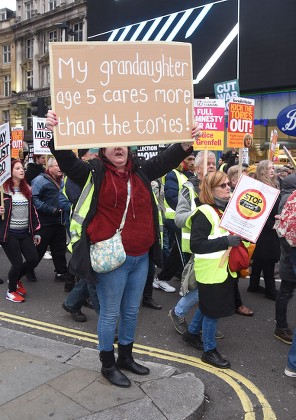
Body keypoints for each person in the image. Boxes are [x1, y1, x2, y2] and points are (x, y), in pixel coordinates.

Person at [46, 109, 201, 388]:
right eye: (112, 143)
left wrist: (184, 145)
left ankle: (125, 357)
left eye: (123, 143)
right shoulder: (94, 171)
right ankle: (107, 363)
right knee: (110, 313)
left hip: (141, 257)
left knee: (131, 312)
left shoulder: (141, 169)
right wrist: (57, 133)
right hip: (112, 258)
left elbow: (166, 160)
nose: (118, 147)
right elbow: (67, 161)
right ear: (103, 150)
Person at [184, 171, 242, 369]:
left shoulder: (224, 209)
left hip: (223, 269)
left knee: (207, 306)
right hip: (210, 271)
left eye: (228, 184)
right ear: (211, 190)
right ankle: (209, 351)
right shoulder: (204, 213)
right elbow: (196, 245)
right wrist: (226, 241)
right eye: (223, 185)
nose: (228, 188)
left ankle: (191, 333)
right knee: (212, 313)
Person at [153, 153, 196, 292]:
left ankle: (163, 278)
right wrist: (185, 212)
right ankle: (170, 280)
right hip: (174, 220)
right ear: (180, 161)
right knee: (181, 252)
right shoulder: (173, 174)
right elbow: (171, 197)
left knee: (178, 251)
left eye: (194, 159)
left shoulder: (187, 175)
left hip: (184, 219)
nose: (192, 162)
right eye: (189, 159)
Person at [31, 157, 75, 291]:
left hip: (59, 220)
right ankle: (28, 269)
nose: (60, 167)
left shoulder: (63, 181)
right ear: (49, 168)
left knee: (59, 249)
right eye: (57, 165)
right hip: (45, 222)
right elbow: (33, 199)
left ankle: (61, 272)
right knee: (39, 250)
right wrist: (51, 209)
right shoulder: (39, 180)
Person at [0, 160, 41, 303]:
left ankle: (16, 279)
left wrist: (36, 231)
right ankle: (11, 291)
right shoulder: (3, 190)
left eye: (22, 168)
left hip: (24, 232)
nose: (22, 170)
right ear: (10, 172)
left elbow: (33, 212)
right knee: (17, 263)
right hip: (9, 233)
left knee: (33, 259)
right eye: (18, 168)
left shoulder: (27, 189)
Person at [247, 160, 280, 300]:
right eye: (269, 168)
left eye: (273, 168)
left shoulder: (271, 184)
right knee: (268, 257)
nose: (272, 170)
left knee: (261, 256)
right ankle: (270, 290)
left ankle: (254, 284)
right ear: (262, 171)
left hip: (266, 226)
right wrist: (271, 224)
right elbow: (260, 209)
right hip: (266, 226)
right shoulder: (262, 187)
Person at [274, 174, 296, 344]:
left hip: (290, 255)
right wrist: (290, 255)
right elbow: (283, 232)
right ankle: (281, 327)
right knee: (285, 292)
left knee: (286, 292)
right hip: (290, 256)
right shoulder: (289, 199)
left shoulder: (287, 196)